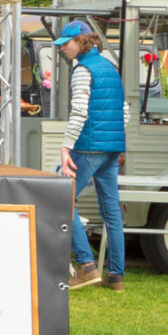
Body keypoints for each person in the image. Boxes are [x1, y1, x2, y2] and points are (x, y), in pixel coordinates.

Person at [55, 19, 127, 290]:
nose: (63, 49)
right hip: (112, 147)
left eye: (66, 44)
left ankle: (85, 266)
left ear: (81, 42)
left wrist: (66, 146)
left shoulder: (83, 69)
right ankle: (116, 276)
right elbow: (124, 110)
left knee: (61, 199)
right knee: (111, 210)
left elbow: (79, 112)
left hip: (87, 146)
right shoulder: (110, 67)